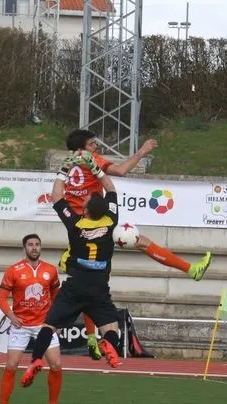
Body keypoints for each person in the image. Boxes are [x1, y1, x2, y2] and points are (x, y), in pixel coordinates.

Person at [56, 129, 213, 359]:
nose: (96, 147)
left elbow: (58, 195)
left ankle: (91, 339)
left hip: (78, 229)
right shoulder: (92, 161)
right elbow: (120, 171)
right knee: (138, 242)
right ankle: (191, 270)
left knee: (86, 280)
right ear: (82, 149)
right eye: (92, 144)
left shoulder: (68, 165)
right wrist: (141, 151)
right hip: (98, 222)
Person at [21, 178, 124, 388]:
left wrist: (62, 172)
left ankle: (36, 360)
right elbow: (111, 189)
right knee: (112, 328)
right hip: (99, 287)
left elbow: (57, 196)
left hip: (75, 285)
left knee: (49, 326)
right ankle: (109, 345)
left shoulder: (75, 224)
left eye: (85, 201)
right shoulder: (111, 220)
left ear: (85, 211)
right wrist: (96, 169)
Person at [0, 233, 65, 404]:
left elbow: (57, 295)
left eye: (37, 245)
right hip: (21, 325)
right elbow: (1, 298)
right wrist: (11, 316)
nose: (34, 248)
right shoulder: (13, 270)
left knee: (57, 365)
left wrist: (55, 320)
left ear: (40, 247)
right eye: (30, 245)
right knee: (11, 366)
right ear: (24, 248)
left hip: (44, 324)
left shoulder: (50, 270)